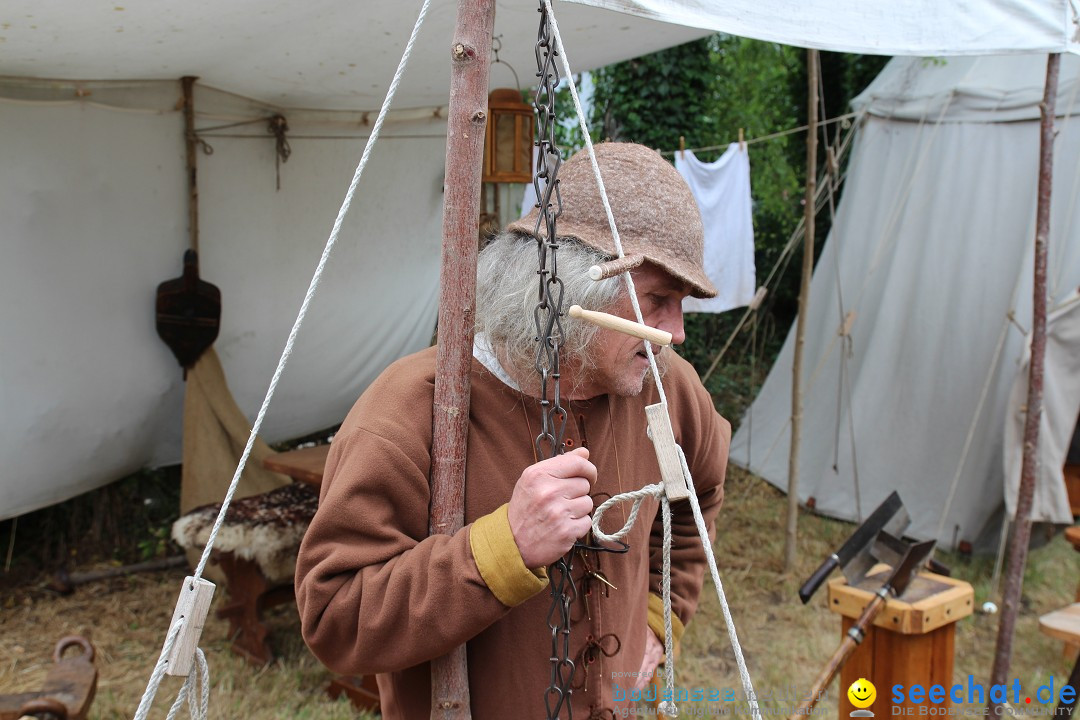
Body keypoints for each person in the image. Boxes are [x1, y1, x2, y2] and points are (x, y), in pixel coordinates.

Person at [295, 142, 731, 719]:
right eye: (657, 300)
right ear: (575, 287)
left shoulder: (668, 387)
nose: (675, 334)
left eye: (680, 305)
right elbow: (336, 617)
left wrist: (660, 614)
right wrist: (503, 549)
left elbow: (697, 498)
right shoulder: (410, 409)